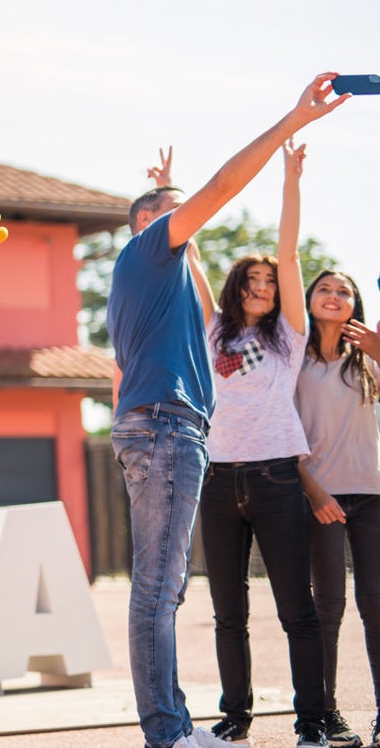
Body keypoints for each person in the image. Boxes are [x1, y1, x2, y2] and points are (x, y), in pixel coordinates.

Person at [108, 73, 348, 748]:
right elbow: (219, 189)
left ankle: (181, 725)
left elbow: (202, 244)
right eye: (179, 212)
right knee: (161, 590)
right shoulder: (151, 252)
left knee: (166, 588)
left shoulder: (162, 277)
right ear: (152, 223)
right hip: (168, 428)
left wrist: (169, 192)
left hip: (176, 431)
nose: (196, 219)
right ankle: (169, 733)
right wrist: (291, 121)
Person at [188, 140, 326, 746]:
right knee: (228, 613)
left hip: (275, 478)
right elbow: (189, 251)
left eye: (271, 280)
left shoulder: (289, 335)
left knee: (297, 609)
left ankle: (312, 722)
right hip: (217, 479)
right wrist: (169, 193)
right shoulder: (214, 328)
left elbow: (290, 251)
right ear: (237, 286)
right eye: (254, 278)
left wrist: (291, 180)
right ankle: (235, 717)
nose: (265, 285)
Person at [295, 270, 380, 748]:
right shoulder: (293, 359)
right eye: (325, 288)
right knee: (327, 609)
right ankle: (326, 715)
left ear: (354, 304)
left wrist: (378, 349)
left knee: (377, 605)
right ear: (308, 299)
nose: (334, 295)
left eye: (344, 291)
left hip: (371, 495)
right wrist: (315, 494)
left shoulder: (367, 358)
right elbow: (282, 432)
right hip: (319, 498)